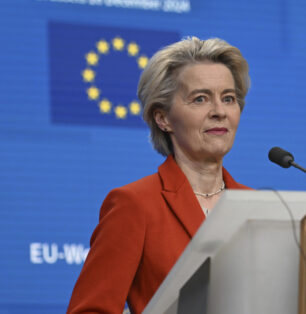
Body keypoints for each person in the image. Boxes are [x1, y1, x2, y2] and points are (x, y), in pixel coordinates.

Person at [67, 36, 251, 313]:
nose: (219, 112)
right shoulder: (135, 204)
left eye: (228, 98)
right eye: (200, 99)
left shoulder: (256, 206)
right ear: (162, 118)